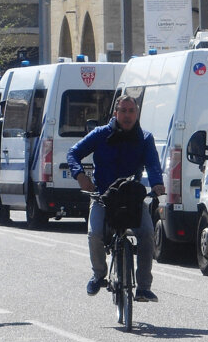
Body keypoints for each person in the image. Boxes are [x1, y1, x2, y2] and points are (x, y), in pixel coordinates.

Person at [66, 95, 165, 302]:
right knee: (95, 234)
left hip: (132, 199)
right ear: (115, 113)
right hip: (103, 196)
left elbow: (153, 165)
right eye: (123, 111)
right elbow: (73, 153)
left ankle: (144, 288)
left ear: (137, 114)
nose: (127, 115)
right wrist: (80, 175)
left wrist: (157, 183)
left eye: (131, 111)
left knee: (147, 234)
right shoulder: (100, 134)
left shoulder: (145, 138)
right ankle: (99, 274)